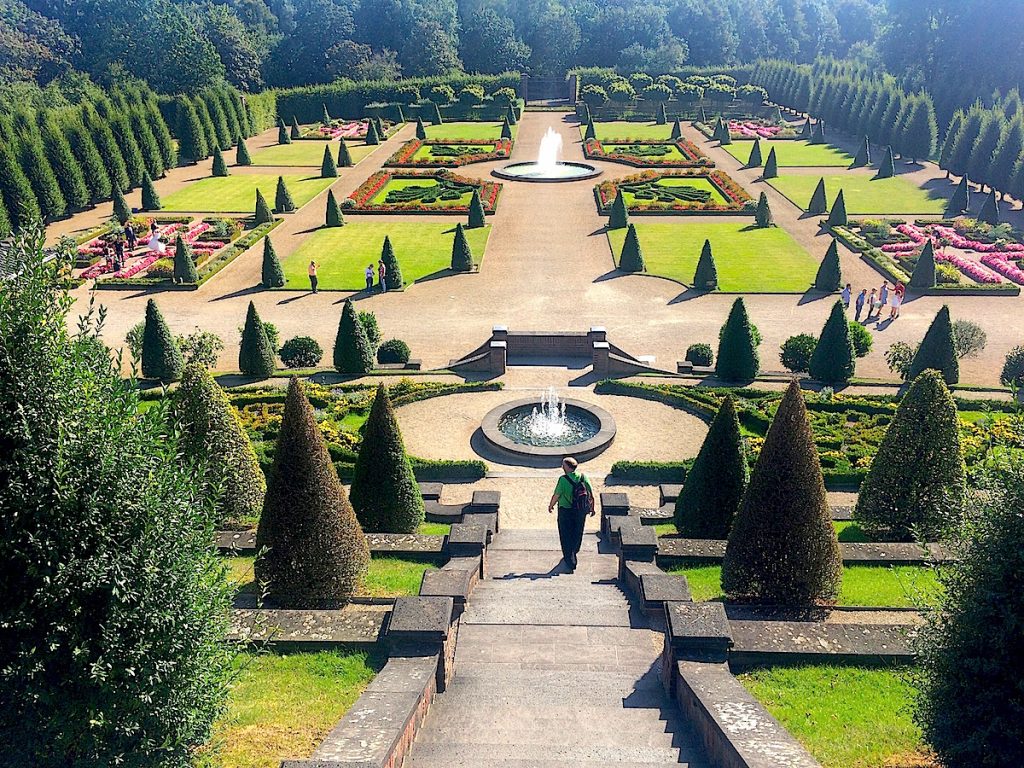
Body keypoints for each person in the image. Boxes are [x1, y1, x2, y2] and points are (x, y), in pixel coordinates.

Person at [547, 457, 594, 572]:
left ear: (568, 467)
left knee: (565, 534)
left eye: (563, 465)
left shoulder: (563, 480)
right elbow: (590, 494)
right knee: (578, 531)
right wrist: (592, 508)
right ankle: (574, 551)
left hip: (566, 510)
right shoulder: (583, 477)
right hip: (580, 510)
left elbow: (556, 495)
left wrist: (551, 505)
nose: (562, 467)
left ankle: (570, 558)